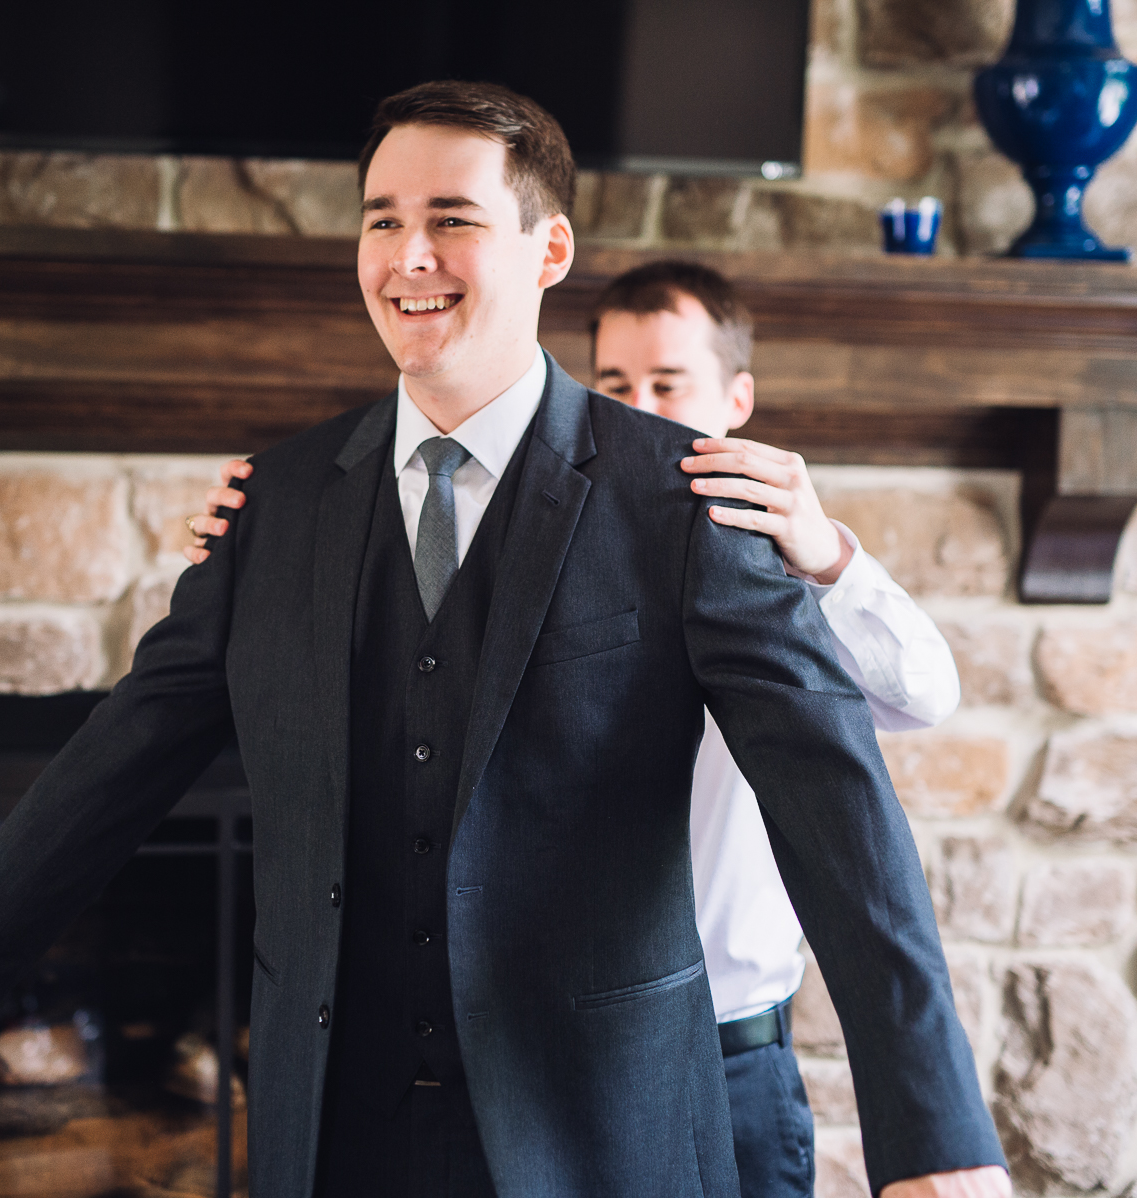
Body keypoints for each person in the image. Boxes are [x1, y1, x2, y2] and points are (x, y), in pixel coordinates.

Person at [0, 81, 1008, 1198]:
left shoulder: (687, 500)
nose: (408, 255)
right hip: (333, 1134)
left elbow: (840, 815)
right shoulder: (274, 507)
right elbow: (99, 781)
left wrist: (934, 1136)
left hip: (604, 1132)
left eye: (453, 219)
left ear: (549, 250)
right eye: (382, 219)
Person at [187, 259, 970, 1197]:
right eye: (617, 383)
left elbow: (921, 695)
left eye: (669, 384)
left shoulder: (769, 558)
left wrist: (827, 557)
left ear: (738, 399)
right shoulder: (539, 531)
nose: (639, 406)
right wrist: (261, 544)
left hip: (735, 1052)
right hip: (561, 1057)